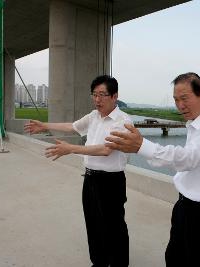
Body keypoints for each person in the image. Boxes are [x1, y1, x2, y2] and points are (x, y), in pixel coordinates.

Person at [105, 72, 200, 267]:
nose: (180, 105)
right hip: (185, 206)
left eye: (185, 98)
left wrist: (142, 146)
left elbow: (189, 158)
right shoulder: (195, 124)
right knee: (174, 258)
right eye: (176, 100)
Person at [24, 75, 132, 267]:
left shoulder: (123, 121)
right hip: (90, 179)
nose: (97, 99)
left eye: (102, 95)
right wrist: (45, 126)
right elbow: (72, 127)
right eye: (94, 95)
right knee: (93, 223)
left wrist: (71, 149)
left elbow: (105, 149)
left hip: (111, 182)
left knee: (114, 227)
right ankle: (98, 262)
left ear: (114, 96)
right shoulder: (93, 116)